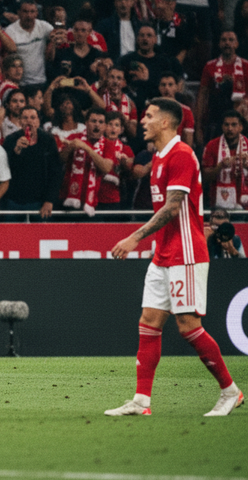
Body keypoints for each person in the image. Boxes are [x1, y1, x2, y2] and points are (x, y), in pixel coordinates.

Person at [107, 97, 244, 417]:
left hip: (186, 253)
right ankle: (141, 401)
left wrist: (134, 237)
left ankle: (230, 391)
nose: (142, 121)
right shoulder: (158, 157)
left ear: (166, 122)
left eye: (150, 116)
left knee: (188, 327)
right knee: (149, 323)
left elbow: (173, 208)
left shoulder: (182, 155)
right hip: (164, 255)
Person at [1, 106, 61, 220]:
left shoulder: (47, 140)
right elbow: (3, 170)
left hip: (40, 201)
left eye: (33, 118)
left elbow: (55, 172)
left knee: (39, 236)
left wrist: (49, 199)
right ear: (20, 121)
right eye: (25, 118)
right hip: (14, 200)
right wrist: (16, 151)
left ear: (38, 121)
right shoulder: (10, 140)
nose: (29, 121)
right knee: (11, 237)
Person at [59, 108, 115, 216]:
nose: (97, 125)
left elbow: (106, 168)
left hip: (91, 202)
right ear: (86, 123)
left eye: (100, 122)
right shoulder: (74, 138)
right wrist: (70, 147)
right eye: (93, 121)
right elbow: (60, 160)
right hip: (67, 199)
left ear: (105, 126)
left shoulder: (108, 145)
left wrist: (87, 148)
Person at [197, 31, 248, 146]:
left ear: (237, 44)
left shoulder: (246, 66)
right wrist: (199, 126)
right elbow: (202, 95)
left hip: (242, 117)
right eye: (224, 40)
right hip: (216, 117)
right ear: (219, 44)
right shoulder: (210, 66)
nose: (227, 43)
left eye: (231, 40)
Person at [202, 110, 248, 210]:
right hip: (218, 204)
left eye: (234, 125)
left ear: (241, 127)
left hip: (245, 203)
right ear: (222, 127)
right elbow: (205, 177)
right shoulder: (212, 146)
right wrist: (220, 166)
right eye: (226, 125)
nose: (230, 128)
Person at [4, 0, 53, 86]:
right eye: (25, 11)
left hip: (41, 81)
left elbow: (57, 35)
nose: (29, 15)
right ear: (18, 12)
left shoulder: (44, 27)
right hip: (20, 83)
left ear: (37, 13)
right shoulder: (10, 31)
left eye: (32, 11)